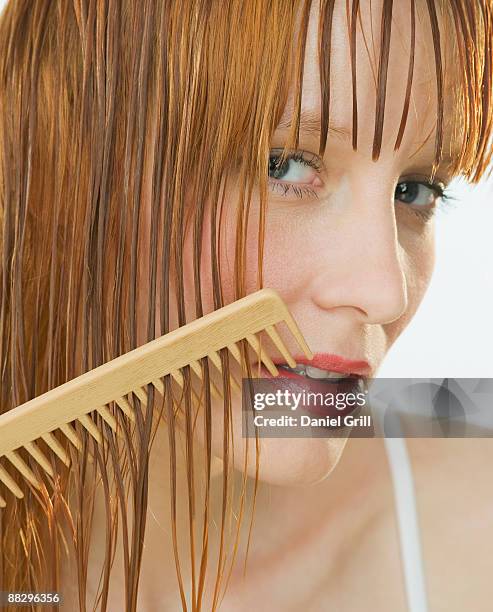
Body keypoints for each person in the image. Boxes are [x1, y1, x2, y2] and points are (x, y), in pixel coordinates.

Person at [0, 0, 491, 610]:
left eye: (414, 190)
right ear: (60, 159)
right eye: (282, 165)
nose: (383, 291)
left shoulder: (476, 526)